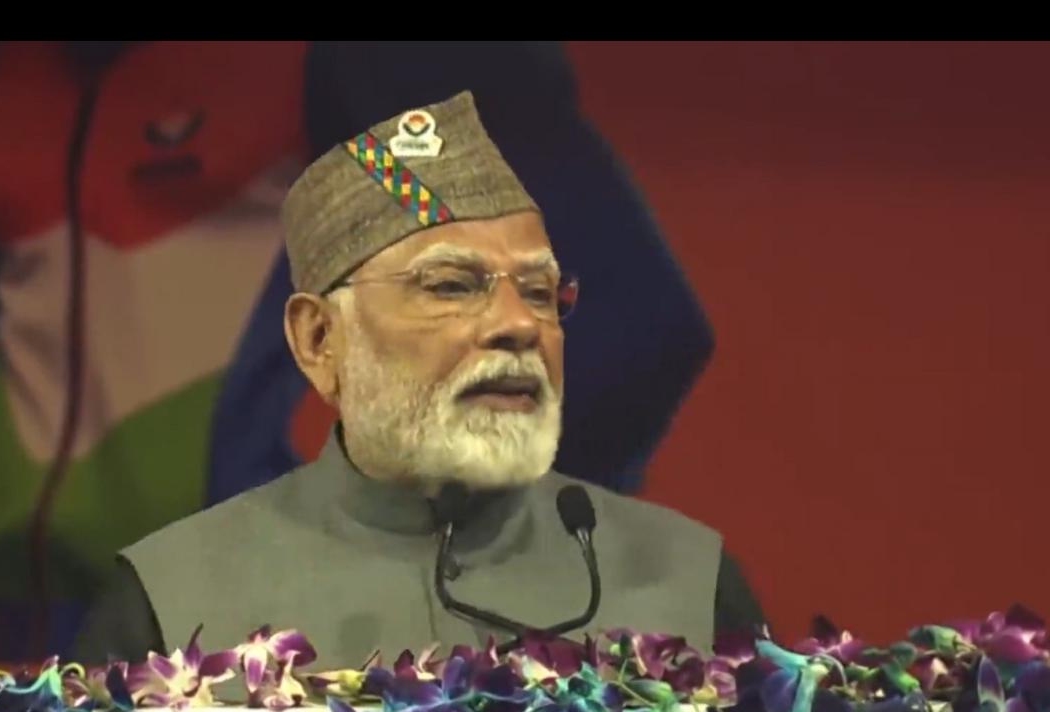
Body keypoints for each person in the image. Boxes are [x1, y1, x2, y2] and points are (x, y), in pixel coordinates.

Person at [72, 91, 764, 668]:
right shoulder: (171, 604)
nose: (518, 325)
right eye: (453, 285)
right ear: (319, 340)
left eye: (541, 292)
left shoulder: (689, 586)